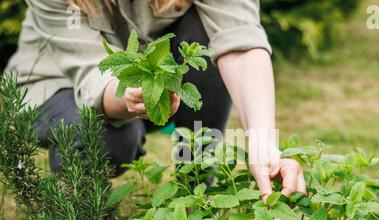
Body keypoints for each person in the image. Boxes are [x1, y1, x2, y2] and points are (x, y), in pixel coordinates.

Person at [6, 0, 306, 200]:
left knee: (204, 39)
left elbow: (238, 39)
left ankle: (196, 193)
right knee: (108, 138)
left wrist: (264, 145)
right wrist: (135, 97)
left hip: (149, 87)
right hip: (54, 86)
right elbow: (93, 76)